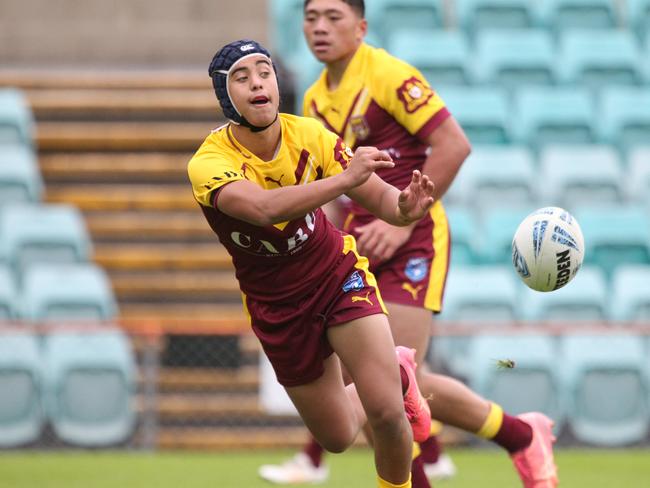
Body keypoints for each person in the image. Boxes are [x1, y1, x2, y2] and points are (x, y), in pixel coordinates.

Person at [258, 2, 559, 488]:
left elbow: (454, 145)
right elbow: (333, 185)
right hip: (359, 246)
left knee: (388, 384)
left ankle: (516, 439)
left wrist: (398, 225)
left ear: (361, 27)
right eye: (311, 17)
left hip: (412, 238)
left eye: (333, 17)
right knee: (385, 385)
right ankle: (521, 436)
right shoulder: (314, 101)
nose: (319, 27)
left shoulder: (389, 76)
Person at [188, 38, 440, 488]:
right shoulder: (209, 162)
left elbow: (380, 198)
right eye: (241, 78)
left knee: (385, 413)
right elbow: (265, 209)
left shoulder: (309, 135)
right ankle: (397, 370)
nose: (257, 83)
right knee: (338, 436)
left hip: (335, 274)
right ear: (226, 96)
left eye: (263, 71)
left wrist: (405, 208)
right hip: (277, 304)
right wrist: (344, 178)